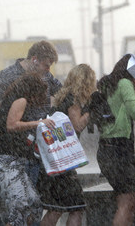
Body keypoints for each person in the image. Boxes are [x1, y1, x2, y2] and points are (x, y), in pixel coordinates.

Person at [0, 73, 56, 225]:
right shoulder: (21, 100)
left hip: (0, 157)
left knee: (9, 205)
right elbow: (12, 125)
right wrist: (39, 123)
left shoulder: (9, 97)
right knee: (25, 204)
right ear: (34, 90)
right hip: (9, 159)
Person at [0, 40, 62, 187]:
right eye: (46, 65)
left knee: (36, 196)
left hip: (40, 144)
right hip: (14, 148)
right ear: (34, 60)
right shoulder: (6, 76)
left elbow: (63, 92)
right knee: (19, 195)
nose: (48, 70)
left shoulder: (46, 75)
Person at [95, 54, 135, 226]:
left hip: (107, 148)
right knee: (126, 201)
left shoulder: (109, 84)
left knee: (132, 199)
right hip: (118, 149)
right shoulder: (125, 83)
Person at [36, 64, 95, 226]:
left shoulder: (62, 97)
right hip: (64, 162)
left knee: (56, 208)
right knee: (76, 207)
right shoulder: (73, 100)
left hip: (54, 158)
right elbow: (76, 125)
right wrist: (91, 110)